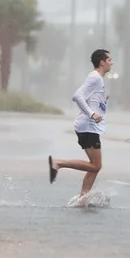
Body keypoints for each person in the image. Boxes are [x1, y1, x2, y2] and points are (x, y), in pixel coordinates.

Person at [48, 49, 112, 200]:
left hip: (90, 127)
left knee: (94, 166)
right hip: (88, 126)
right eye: (109, 60)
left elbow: (90, 99)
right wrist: (92, 114)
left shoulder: (98, 79)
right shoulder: (95, 77)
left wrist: (102, 100)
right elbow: (77, 96)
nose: (112, 63)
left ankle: (83, 198)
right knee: (96, 165)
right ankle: (58, 163)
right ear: (102, 62)